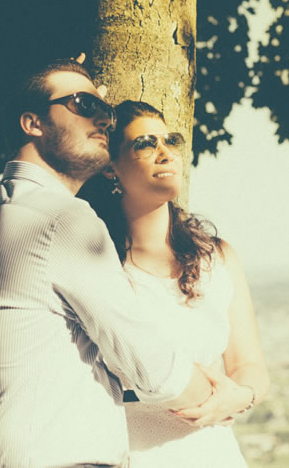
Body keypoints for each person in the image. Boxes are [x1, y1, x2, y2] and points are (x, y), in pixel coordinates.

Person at [0, 60, 230, 468]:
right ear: (32, 123)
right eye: (82, 103)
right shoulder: (64, 219)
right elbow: (149, 364)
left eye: (105, 109)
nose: (102, 118)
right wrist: (224, 395)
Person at [81, 100, 270, 467]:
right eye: (146, 144)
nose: (166, 153)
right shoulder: (98, 265)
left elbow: (250, 364)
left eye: (171, 140)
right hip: (129, 454)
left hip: (214, 453)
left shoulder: (217, 257)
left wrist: (238, 397)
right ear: (111, 168)